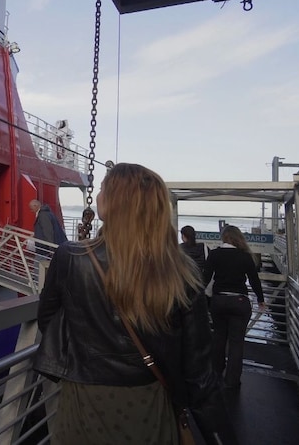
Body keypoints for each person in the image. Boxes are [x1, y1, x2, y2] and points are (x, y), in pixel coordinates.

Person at [34, 163, 236, 445]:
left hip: (84, 404)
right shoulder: (180, 273)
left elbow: (48, 321)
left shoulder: (71, 258)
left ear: (116, 201)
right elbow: (199, 373)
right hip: (148, 405)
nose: (98, 194)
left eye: (104, 188)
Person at [204, 225, 266, 390]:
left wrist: (198, 297)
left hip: (218, 301)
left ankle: (216, 373)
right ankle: (232, 380)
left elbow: (205, 278)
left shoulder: (214, 254)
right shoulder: (244, 256)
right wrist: (260, 299)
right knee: (236, 343)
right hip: (239, 302)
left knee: (218, 338)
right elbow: (254, 280)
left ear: (223, 237)